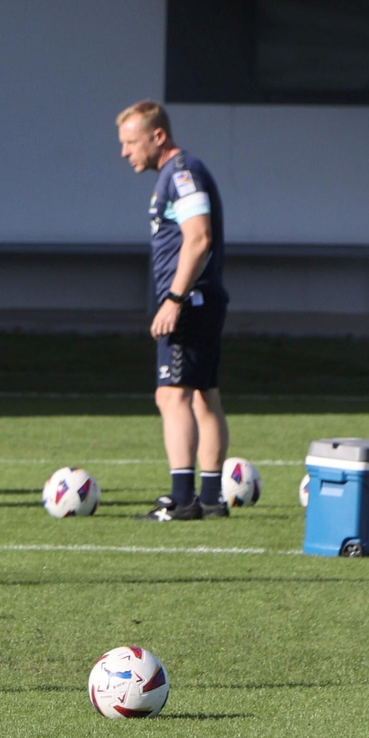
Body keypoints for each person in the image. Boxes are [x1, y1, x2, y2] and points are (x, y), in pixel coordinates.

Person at [116, 100, 230, 521]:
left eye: (131, 142)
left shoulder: (181, 173)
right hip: (202, 299)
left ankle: (182, 500)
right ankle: (213, 498)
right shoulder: (176, 174)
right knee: (204, 396)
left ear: (157, 136)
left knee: (172, 395)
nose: (125, 152)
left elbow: (199, 238)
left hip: (191, 301)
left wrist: (175, 299)